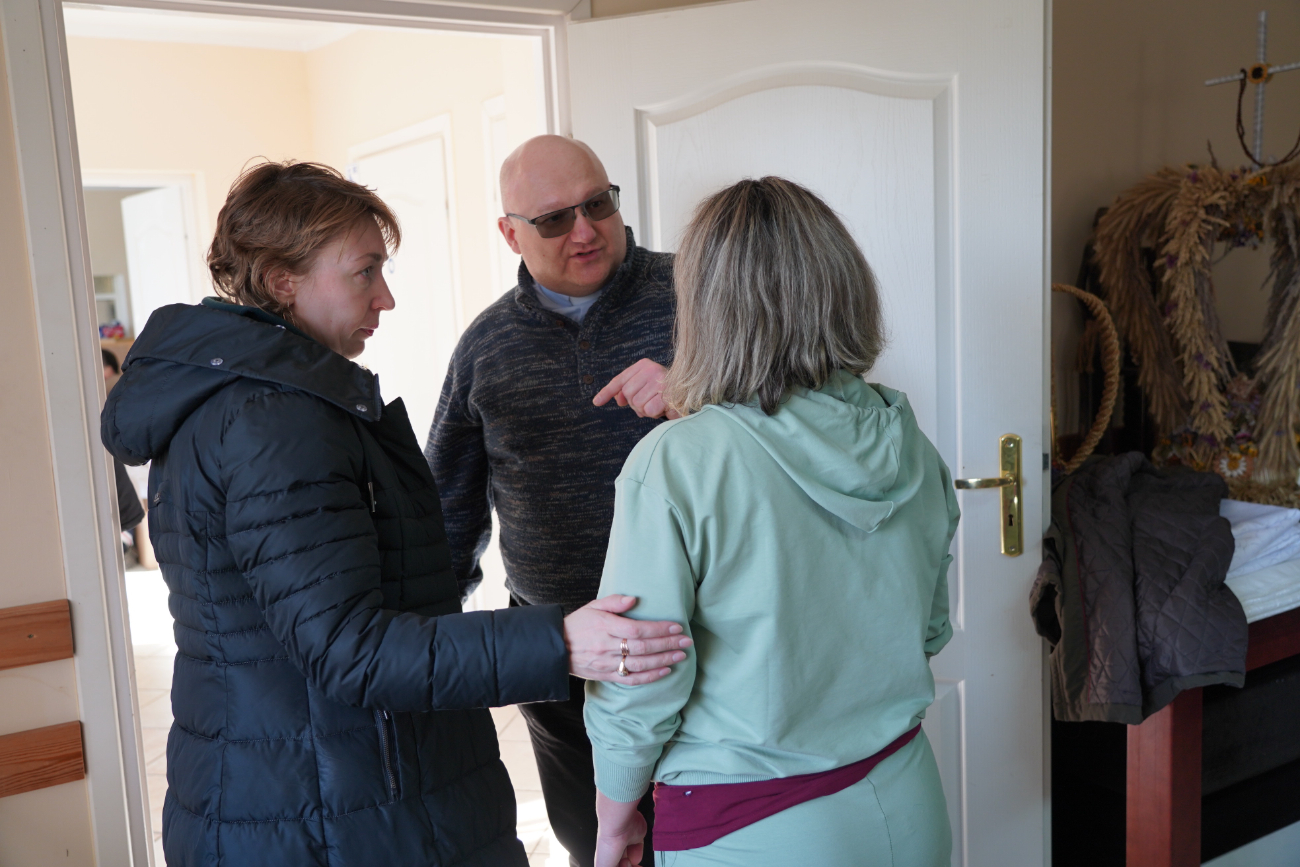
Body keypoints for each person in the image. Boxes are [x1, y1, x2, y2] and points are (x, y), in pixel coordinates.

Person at [100, 160, 690, 867]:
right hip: (325, 806)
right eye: (365, 272)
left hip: (325, 787)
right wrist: (559, 641)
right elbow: (350, 648)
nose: (386, 297)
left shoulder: (269, 405)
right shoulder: (271, 422)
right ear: (284, 281)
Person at [585, 177, 960, 867]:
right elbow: (928, 629)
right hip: (908, 801)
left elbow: (641, 671)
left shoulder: (676, 463)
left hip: (752, 823)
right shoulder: (908, 441)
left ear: (708, 308)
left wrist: (613, 817)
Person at [427, 135, 676, 865]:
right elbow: (448, 514)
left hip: (706, 647)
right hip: (563, 665)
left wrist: (699, 388)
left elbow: (802, 414)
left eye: (598, 204)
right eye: (555, 218)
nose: (586, 230)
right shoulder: (485, 347)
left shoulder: (705, 292)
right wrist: (426, 651)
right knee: (595, 848)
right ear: (510, 234)